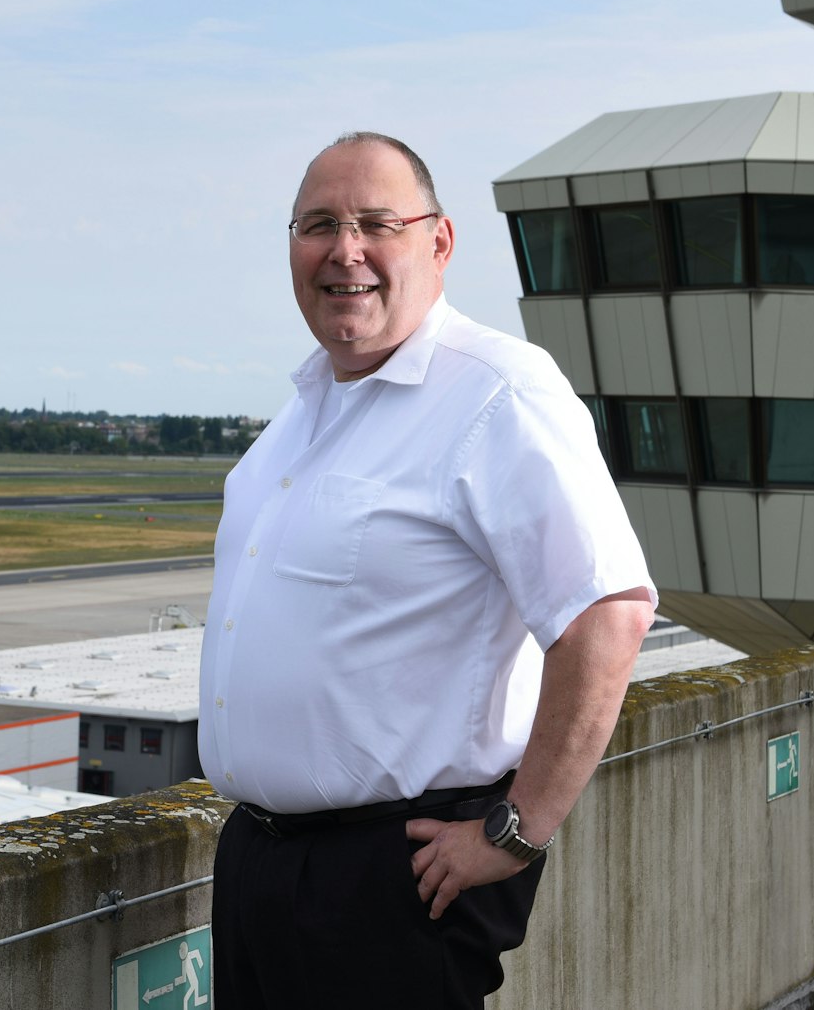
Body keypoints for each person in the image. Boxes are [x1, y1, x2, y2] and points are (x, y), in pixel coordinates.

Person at [199, 132, 657, 1008]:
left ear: (439, 242)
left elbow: (607, 615)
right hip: (261, 867)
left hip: (388, 879)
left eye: (378, 223)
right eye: (318, 225)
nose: (346, 250)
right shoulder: (296, 423)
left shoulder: (495, 392)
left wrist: (516, 835)